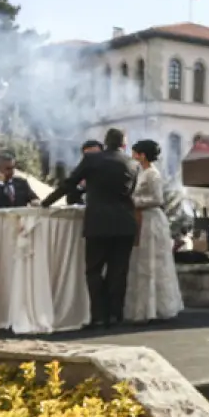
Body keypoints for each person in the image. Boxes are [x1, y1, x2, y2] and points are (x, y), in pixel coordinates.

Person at [41, 127, 138, 327]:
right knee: (119, 271)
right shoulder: (133, 164)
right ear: (123, 144)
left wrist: (45, 203)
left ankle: (99, 315)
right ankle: (115, 315)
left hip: (98, 221)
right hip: (125, 222)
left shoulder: (92, 160)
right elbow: (131, 192)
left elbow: (69, 184)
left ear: (105, 142)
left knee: (94, 270)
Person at [124, 139, 183, 323]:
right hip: (141, 218)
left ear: (142, 155)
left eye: (135, 153)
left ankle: (156, 307)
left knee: (151, 261)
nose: (133, 157)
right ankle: (143, 308)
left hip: (151, 219)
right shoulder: (142, 173)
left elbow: (157, 198)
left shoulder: (153, 174)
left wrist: (134, 202)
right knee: (141, 261)